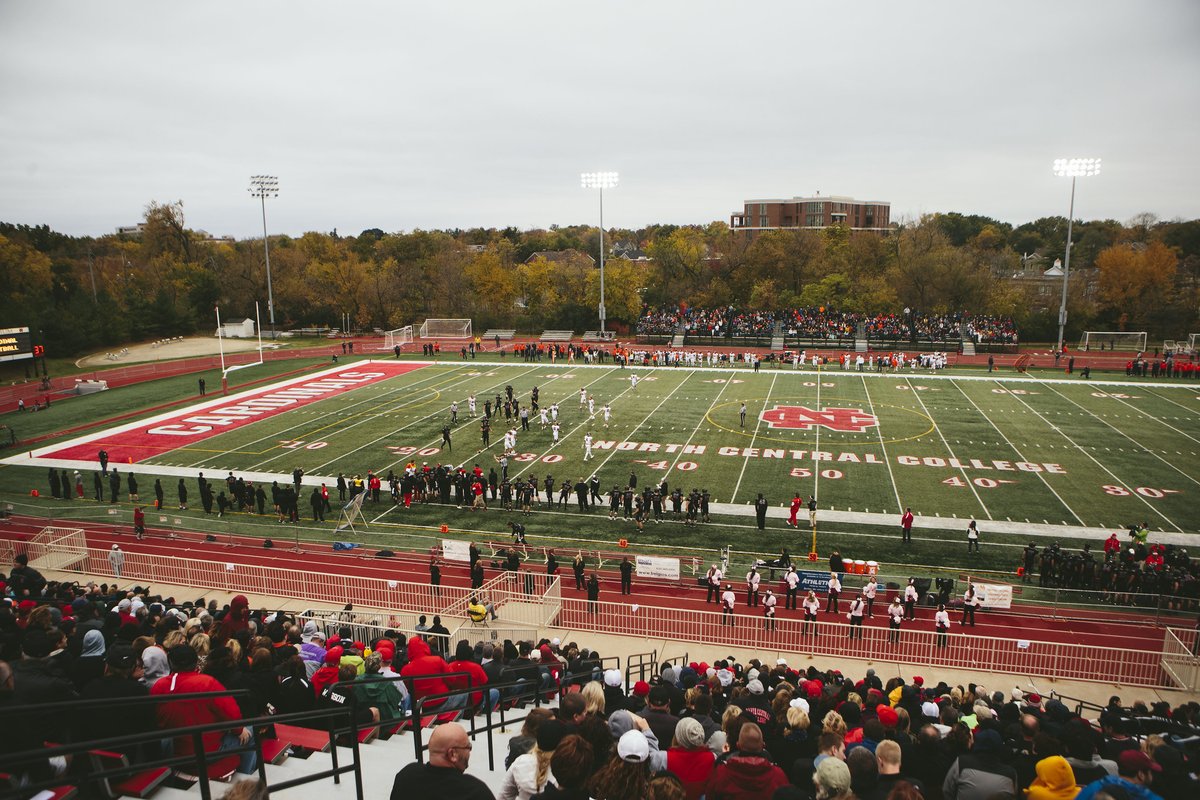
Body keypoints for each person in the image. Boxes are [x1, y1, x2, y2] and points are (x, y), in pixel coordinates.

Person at [151, 644, 257, 774]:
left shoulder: (159, 685)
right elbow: (231, 711)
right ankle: (247, 777)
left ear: (170, 662)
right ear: (196, 662)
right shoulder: (207, 683)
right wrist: (239, 730)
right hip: (205, 752)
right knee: (252, 731)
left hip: (173, 751)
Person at [390, 722, 494, 800]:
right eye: (468, 747)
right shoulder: (476, 792)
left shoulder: (406, 775)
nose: (470, 751)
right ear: (452, 754)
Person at [705, 722, 790, 799]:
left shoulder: (721, 773)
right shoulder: (779, 776)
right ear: (763, 746)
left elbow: (710, 795)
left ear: (738, 745)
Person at [1075, 750, 1163, 800]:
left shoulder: (1093, 787)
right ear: (1141, 774)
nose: (1152, 775)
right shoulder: (1149, 797)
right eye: (1150, 772)